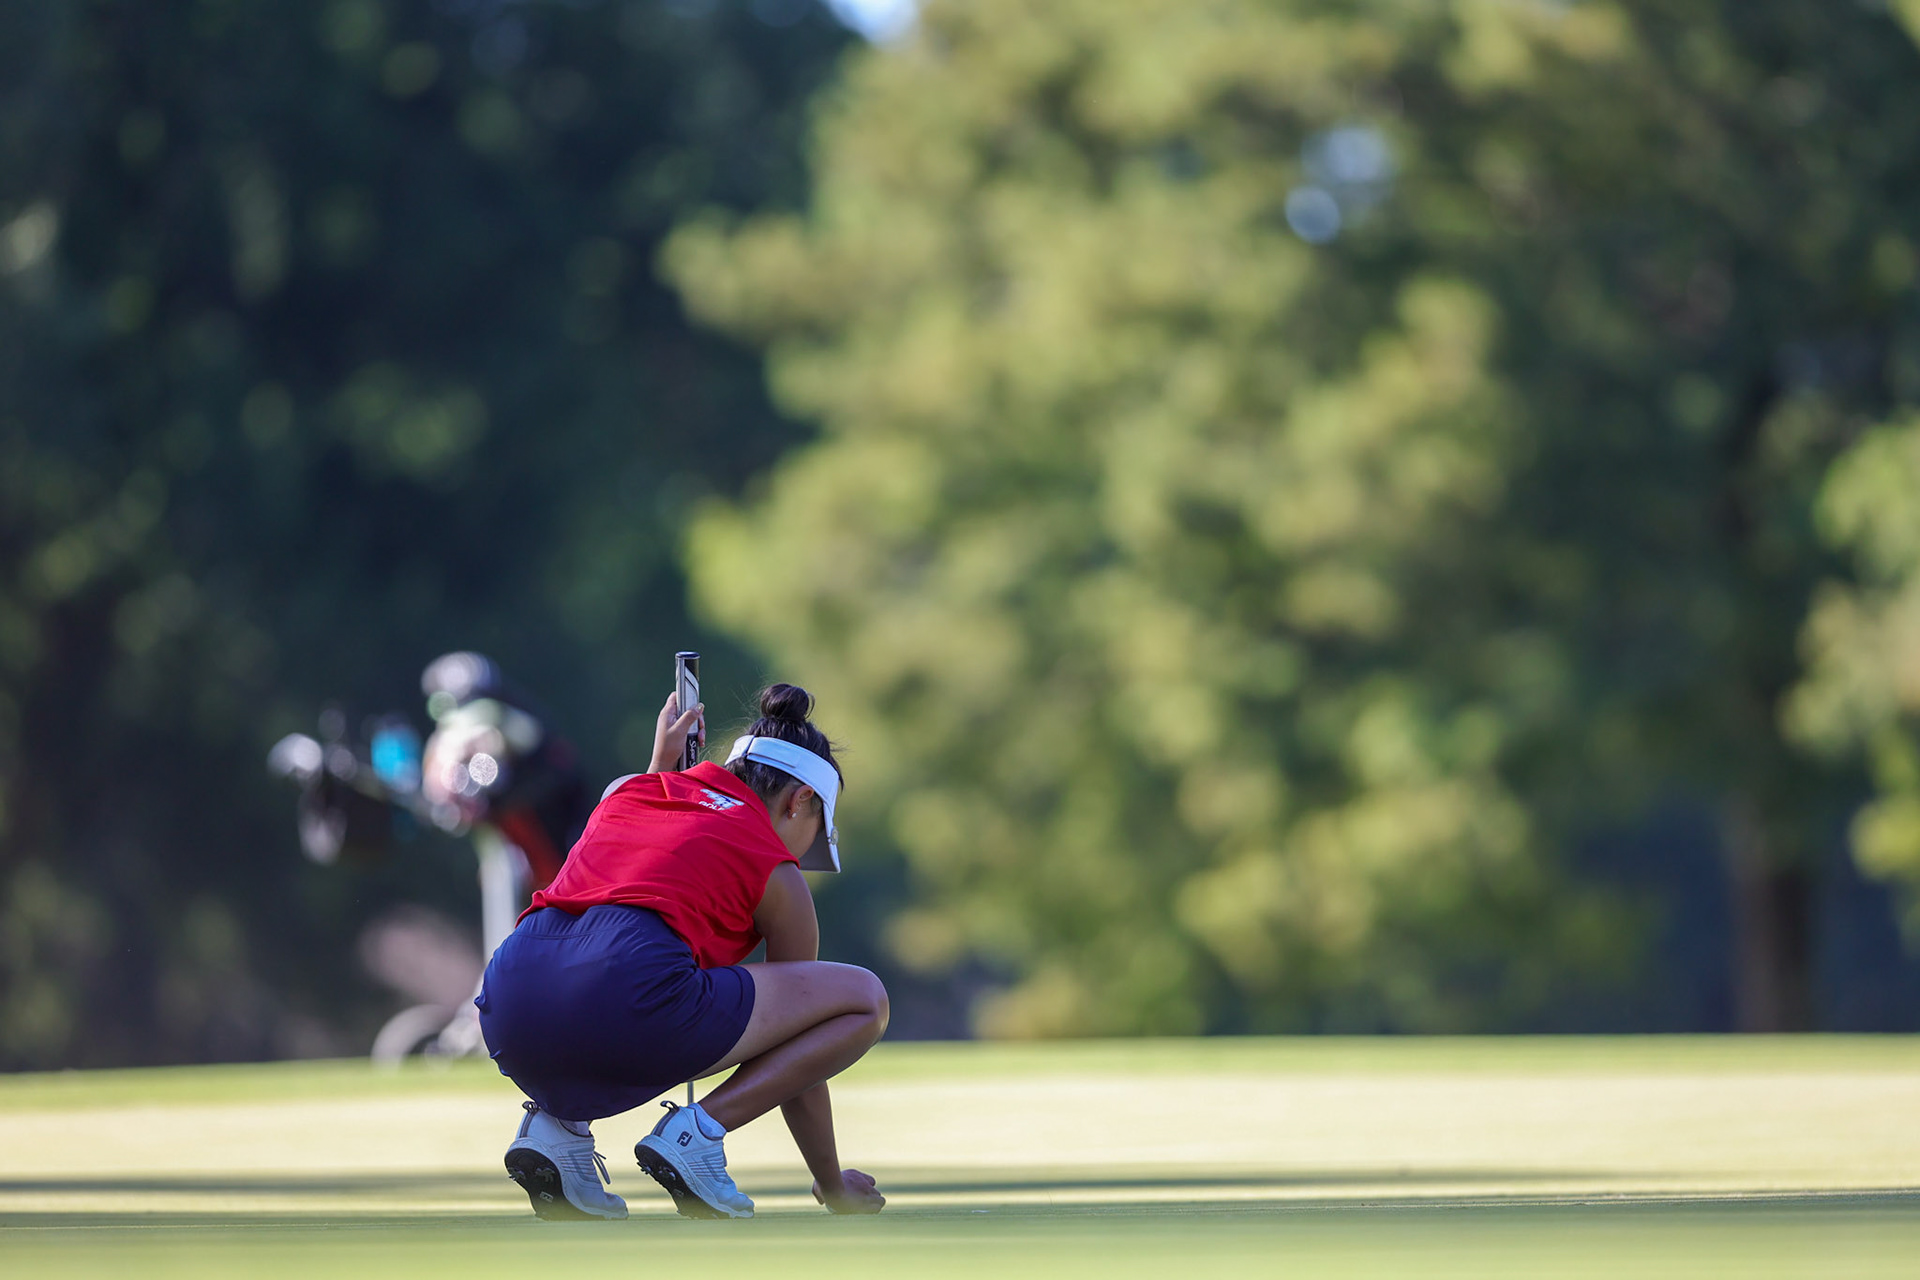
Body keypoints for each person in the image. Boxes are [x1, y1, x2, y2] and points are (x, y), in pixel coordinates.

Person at [475, 683, 890, 1220]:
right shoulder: (778, 872)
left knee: (607, 983)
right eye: (815, 832)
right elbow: (801, 1040)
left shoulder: (629, 793)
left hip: (509, 1002)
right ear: (800, 800)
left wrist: (658, 768)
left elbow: (634, 844)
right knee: (864, 999)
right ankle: (697, 1135)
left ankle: (555, 1131)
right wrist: (832, 1184)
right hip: (622, 989)